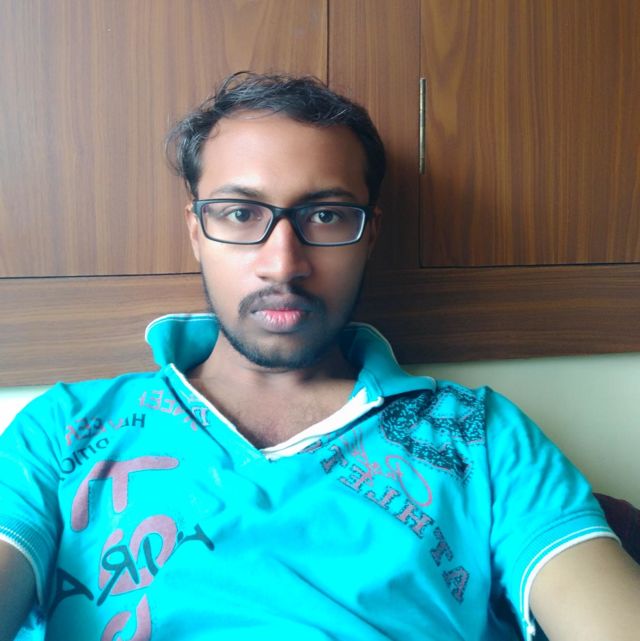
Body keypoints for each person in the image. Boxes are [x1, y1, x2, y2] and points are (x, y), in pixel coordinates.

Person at [0, 72, 639, 641]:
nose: (283, 264)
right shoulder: (63, 431)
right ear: (196, 231)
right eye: (240, 213)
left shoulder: (480, 438)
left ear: (370, 234)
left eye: (327, 216)